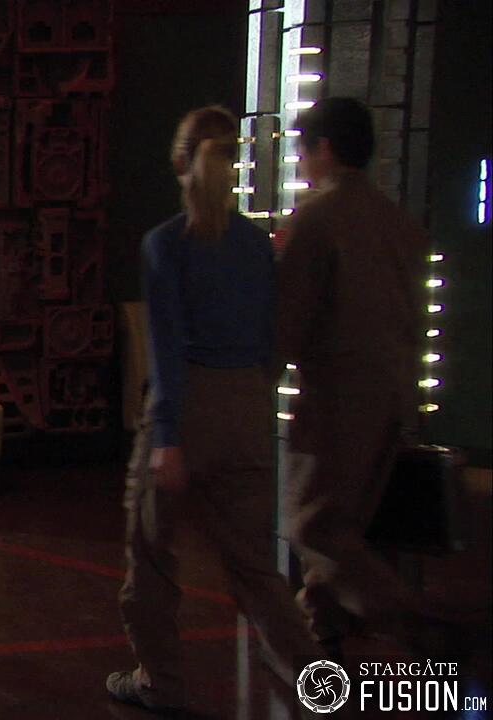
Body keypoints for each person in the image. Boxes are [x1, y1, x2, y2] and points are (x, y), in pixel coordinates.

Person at [107, 106, 323, 713]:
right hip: (248, 406)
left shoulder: (165, 244)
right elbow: (274, 337)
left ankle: (161, 683)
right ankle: (320, 688)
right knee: (256, 570)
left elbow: (168, 347)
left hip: (187, 408)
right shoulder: (256, 244)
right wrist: (253, 392)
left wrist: (169, 437)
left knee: (151, 562)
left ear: (179, 160)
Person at [277, 97, 430, 658]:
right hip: (394, 392)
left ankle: (404, 615)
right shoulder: (399, 222)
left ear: (323, 148)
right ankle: (323, 623)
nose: (301, 163)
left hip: (337, 395)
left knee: (309, 523)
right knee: (345, 517)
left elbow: (288, 316)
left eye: (303, 150)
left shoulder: (315, 219)